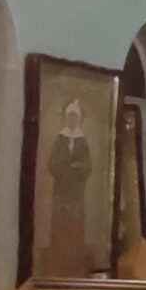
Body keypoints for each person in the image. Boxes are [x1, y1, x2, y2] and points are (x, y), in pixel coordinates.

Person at [43, 99, 93, 276]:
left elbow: (88, 166)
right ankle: (59, 257)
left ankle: (74, 258)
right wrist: (66, 163)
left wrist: (78, 167)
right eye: (70, 116)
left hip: (76, 190)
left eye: (75, 117)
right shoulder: (60, 139)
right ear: (66, 118)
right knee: (60, 221)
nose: (72, 120)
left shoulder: (82, 140)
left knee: (76, 222)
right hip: (62, 188)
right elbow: (52, 164)